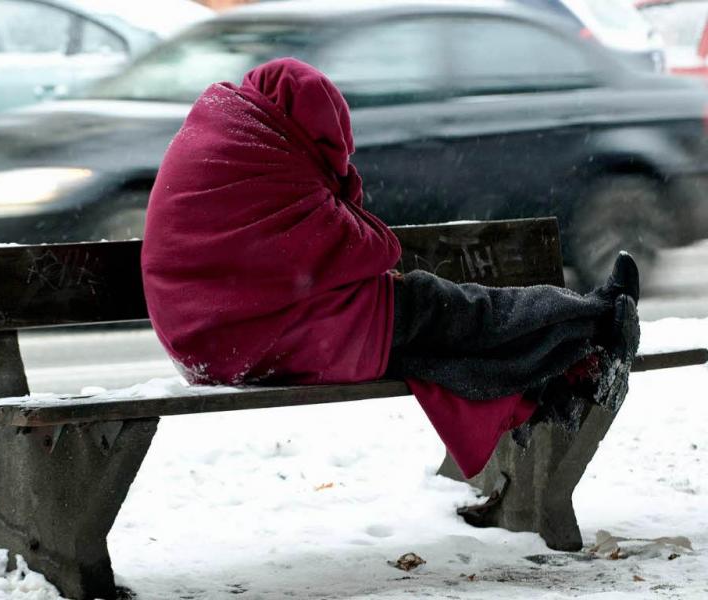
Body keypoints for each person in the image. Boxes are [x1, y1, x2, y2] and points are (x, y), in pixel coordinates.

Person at [141, 58, 640, 478]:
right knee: (462, 312)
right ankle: (597, 317)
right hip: (265, 333)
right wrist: (341, 191)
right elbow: (377, 248)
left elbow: (286, 249)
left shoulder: (229, 130)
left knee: (434, 350)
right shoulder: (261, 156)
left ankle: (571, 371)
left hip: (224, 336)